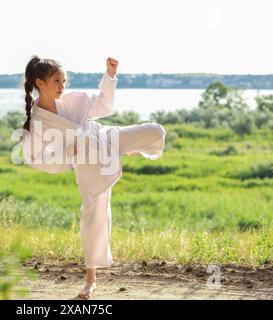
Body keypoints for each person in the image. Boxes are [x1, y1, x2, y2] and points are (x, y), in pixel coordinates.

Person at [21, 55, 166, 299]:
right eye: (56, 80)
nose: (62, 85)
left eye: (64, 80)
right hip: (88, 165)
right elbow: (35, 158)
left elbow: (103, 105)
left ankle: (125, 150)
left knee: (155, 131)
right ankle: (91, 281)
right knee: (94, 217)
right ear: (40, 83)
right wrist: (68, 153)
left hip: (105, 138)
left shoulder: (73, 100)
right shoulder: (37, 122)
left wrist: (110, 76)